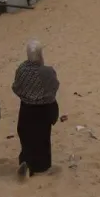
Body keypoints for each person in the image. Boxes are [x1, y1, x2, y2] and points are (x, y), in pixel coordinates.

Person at [12, 39, 60, 179]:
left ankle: (26, 162)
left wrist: (28, 96)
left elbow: (16, 88)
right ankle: (41, 166)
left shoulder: (21, 70)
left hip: (26, 109)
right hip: (43, 110)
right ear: (40, 54)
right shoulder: (47, 72)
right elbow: (54, 88)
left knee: (26, 138)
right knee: (42, 138)